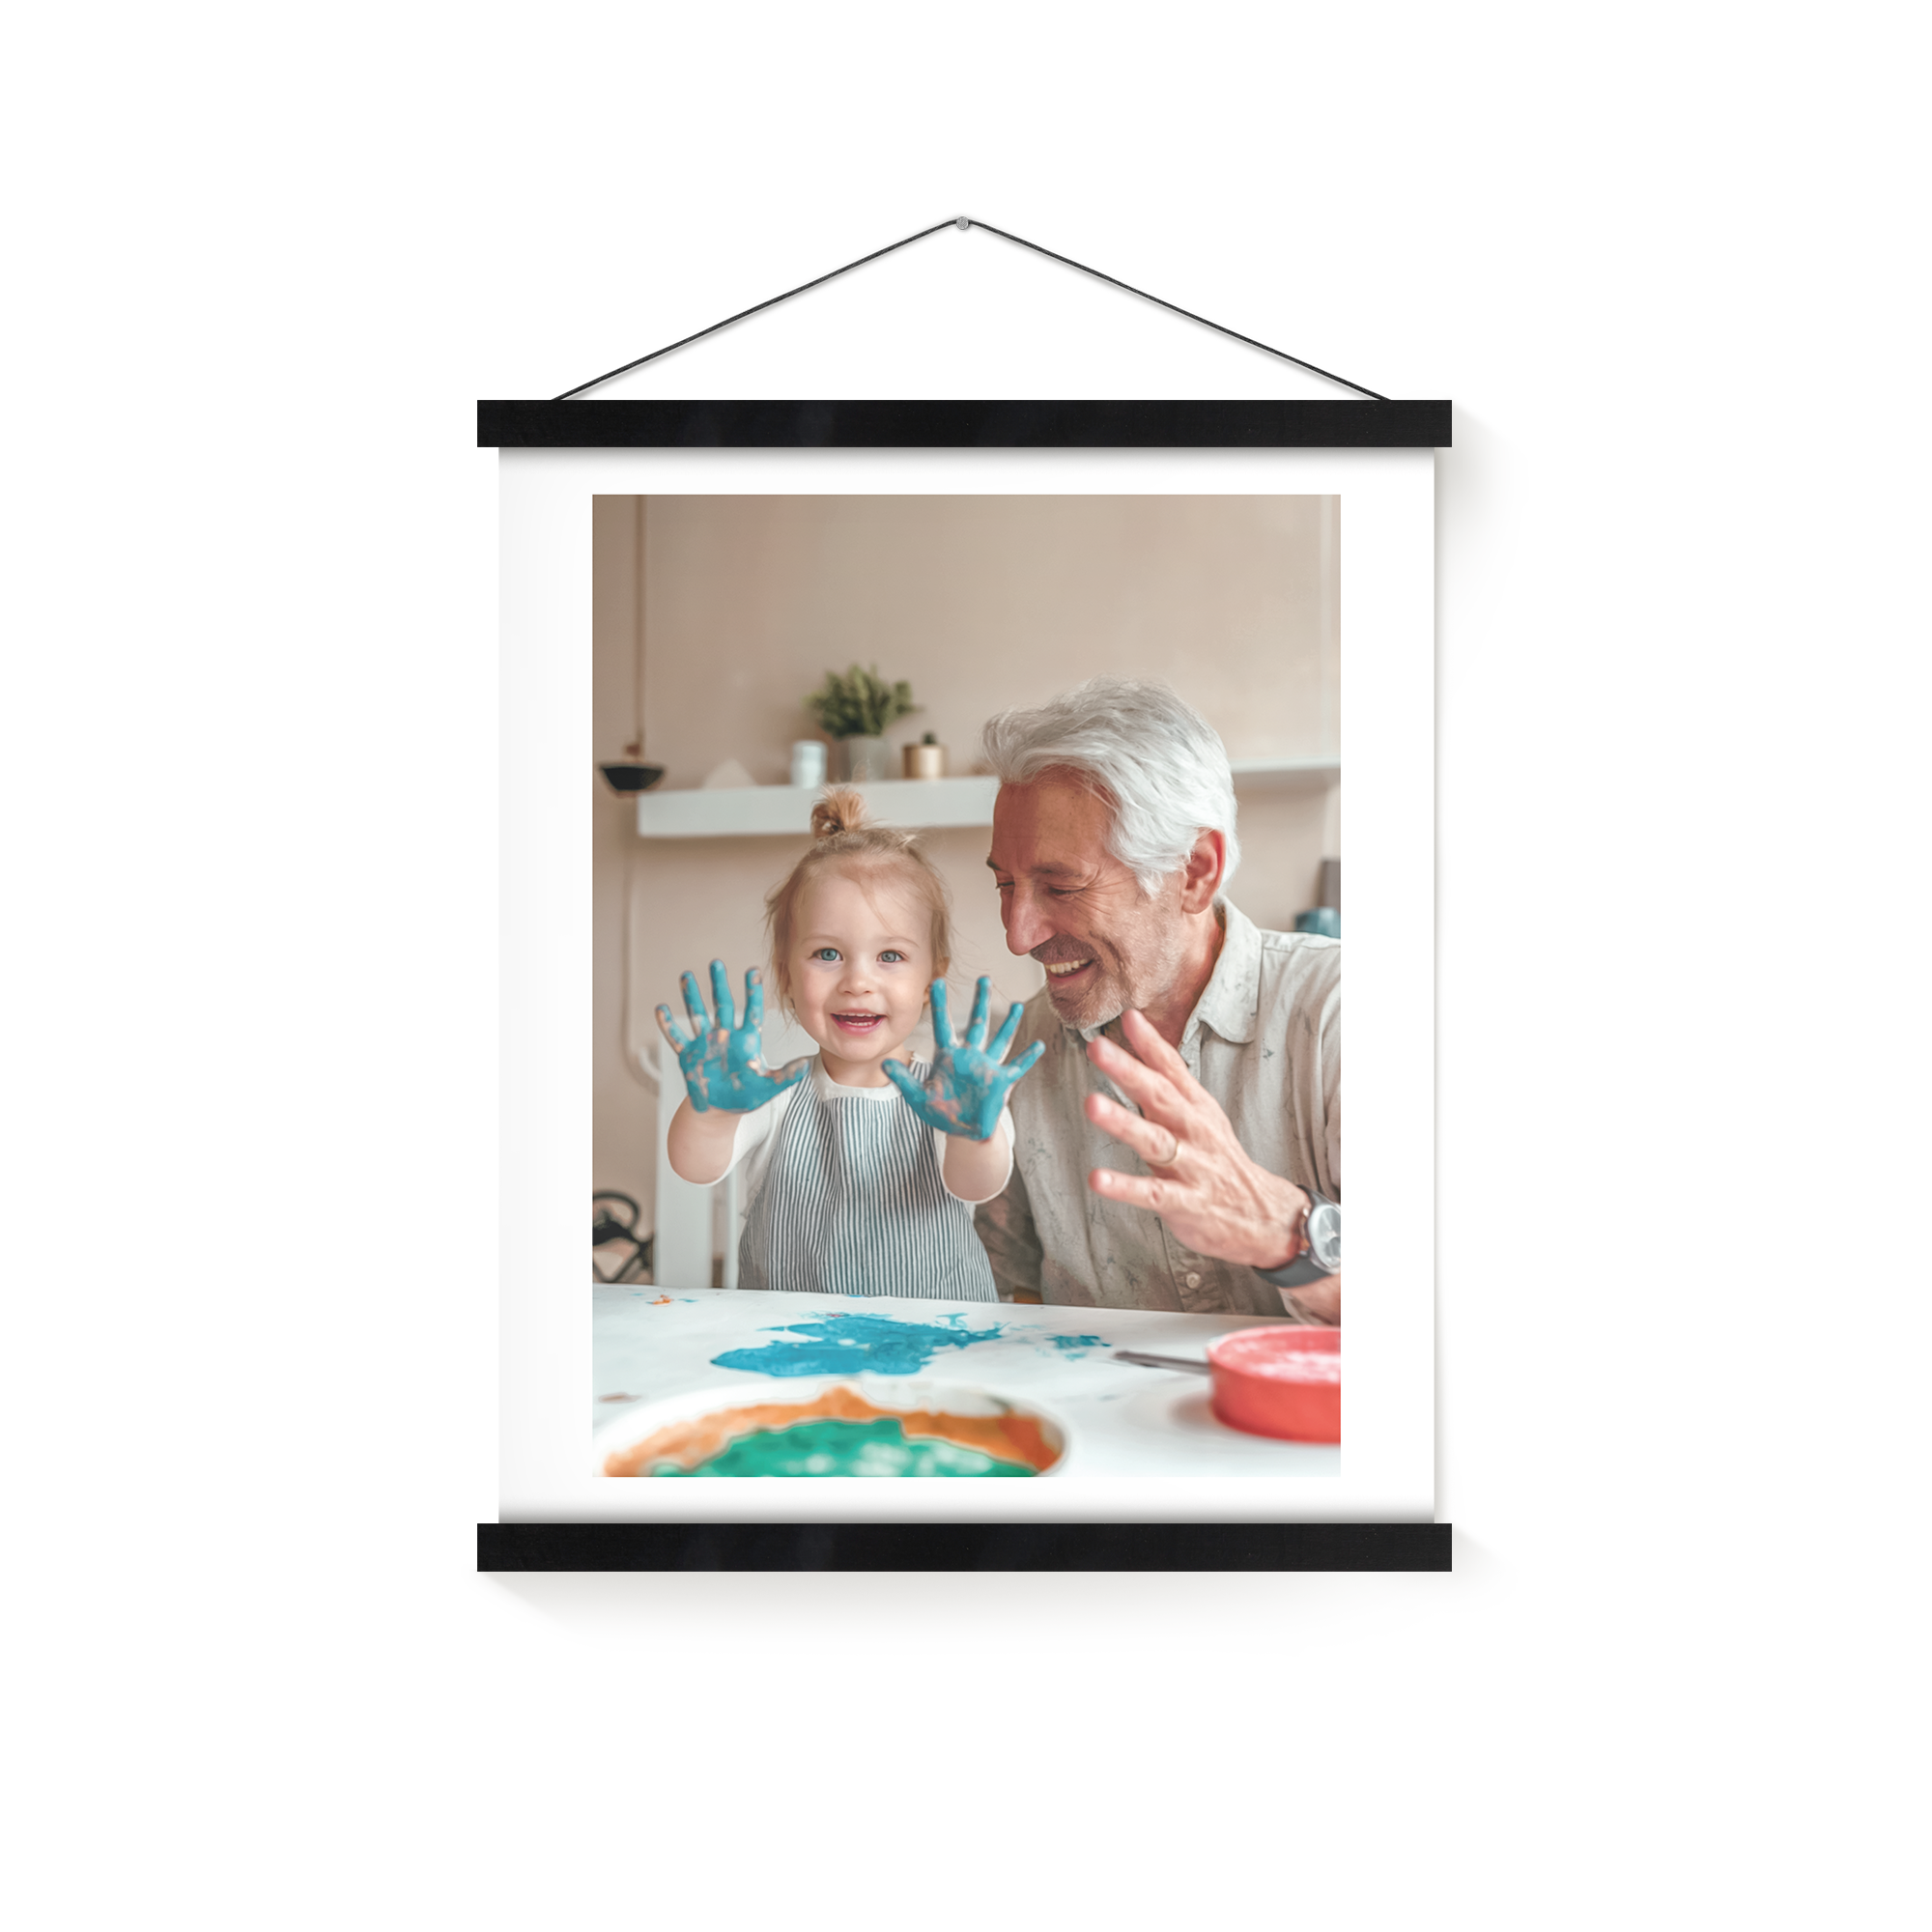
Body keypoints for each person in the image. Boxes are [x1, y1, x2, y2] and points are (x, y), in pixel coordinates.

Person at [973, 676, 1342, 1322]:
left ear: (1195, 872)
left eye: (1061, 886)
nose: (1018, 935)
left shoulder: (1340, 1012)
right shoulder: (1021, 1050)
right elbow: (1001, 1296)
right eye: (1006, 885)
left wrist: (1285, 1235)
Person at [655, 787, 1043, 1299]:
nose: (857, 982)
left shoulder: (954, 1097)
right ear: (786, 975)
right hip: (790, 1336)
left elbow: (977, 1185)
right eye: (827, 954)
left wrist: (974, 1134)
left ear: (931, 980)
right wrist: (713, 1115)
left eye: (890, 957)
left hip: (936, 1337)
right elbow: (694, 1166)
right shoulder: (772, 1097)